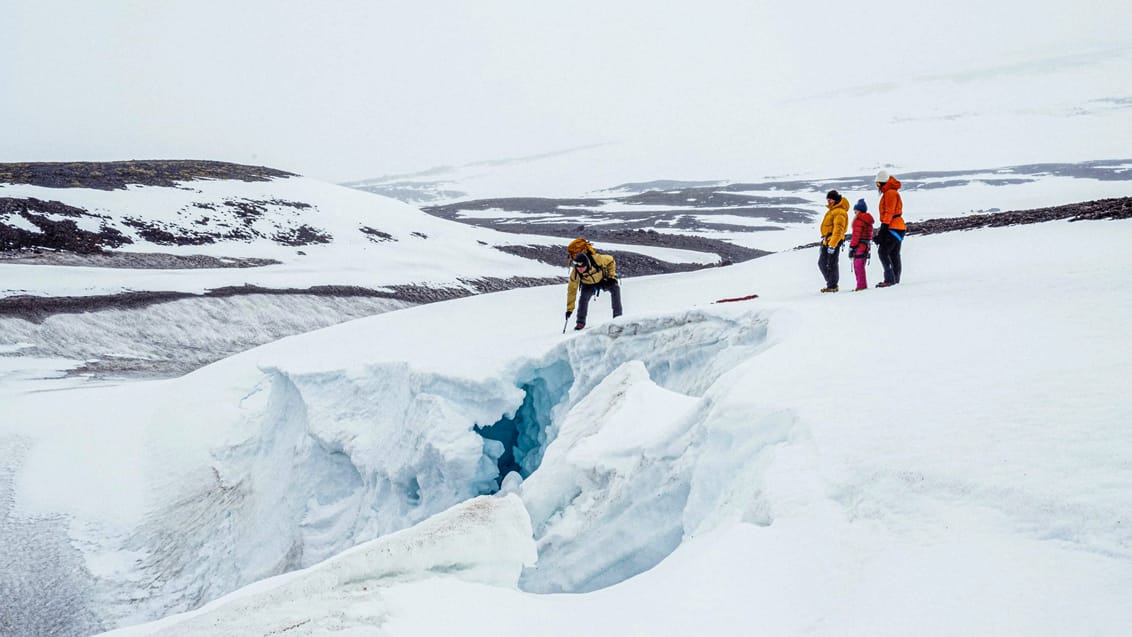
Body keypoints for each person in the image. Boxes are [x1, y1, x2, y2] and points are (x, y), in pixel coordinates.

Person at [565, 238, 621, 330]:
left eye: (582, 267)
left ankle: (618, 318)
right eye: (577, 267)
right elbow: (572, 290)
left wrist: (611, 277)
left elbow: (611, 260)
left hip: (603, 280)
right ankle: (580, 323)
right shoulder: (576, 272)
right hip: (588, 285)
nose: (579, 269)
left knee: (615, 288)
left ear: (587, 264)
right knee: (583, 299)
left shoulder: (598, 259)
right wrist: (569, 309)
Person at [873, 170, 906, 287]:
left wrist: (883, 230)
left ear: (882, 183)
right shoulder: (890, 192)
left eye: (878, 184)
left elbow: (889, 212)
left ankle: (890, 279)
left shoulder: (890, 193)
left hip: (893, 226)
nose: (877, 187)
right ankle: (895, 279)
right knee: (894, 253)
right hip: (898, 227)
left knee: (883, 252)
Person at [818, 190, 849, 293]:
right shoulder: (833, 210)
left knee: (832, 264)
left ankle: (832, 286)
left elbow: (838, 230)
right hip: (827, 241)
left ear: (835, 200)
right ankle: (831, 284)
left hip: (833, 241)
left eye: (830, 199)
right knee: (822, 263)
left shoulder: (839, 211)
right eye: (828, 199)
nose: (828, 201)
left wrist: (832, 245)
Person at [848, 198, 875, 291]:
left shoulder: (859, 220)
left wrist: (852, 246)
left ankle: (861, 286)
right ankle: (861, 285)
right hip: (866, 246)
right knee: (861, 266)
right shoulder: (868, 220)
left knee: (858, 266)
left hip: (860, 246)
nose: (854, 212)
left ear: (858, 210)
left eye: (855, 210)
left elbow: (856, 235)